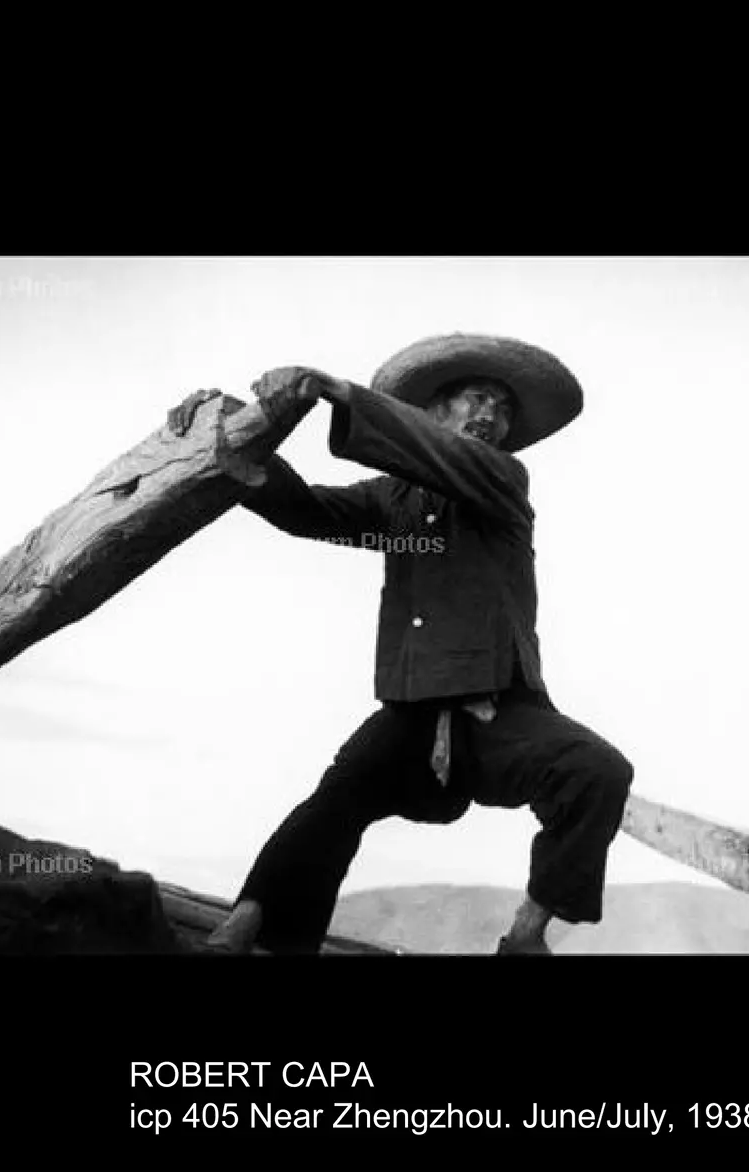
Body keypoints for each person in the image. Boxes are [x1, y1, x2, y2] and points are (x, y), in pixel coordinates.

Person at [173, 333, 633, 955]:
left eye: (502, 407)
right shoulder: (396, 501)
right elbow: (305, 509)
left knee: (596, 770)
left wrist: (335, 391)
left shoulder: (502, 481)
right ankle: (245, 928)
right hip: (414, 707)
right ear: (435, 410)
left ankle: (526, 937)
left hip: (501, 709)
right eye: (477, 398)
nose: (491, 416)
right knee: (337, 798)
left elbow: (435, 455)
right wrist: (225, 427)